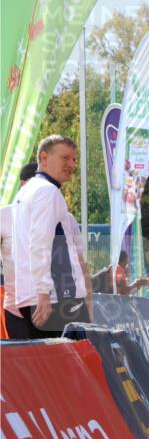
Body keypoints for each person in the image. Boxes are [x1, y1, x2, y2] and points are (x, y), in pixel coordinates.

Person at [10, 136, 92, 338]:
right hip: (57, 298)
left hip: (34, 297)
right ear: (44, 157)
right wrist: (44, 292)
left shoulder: (24, 193)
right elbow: (40, 243)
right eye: (65, 158)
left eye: (74, 159)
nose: (72, 164)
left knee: (43, 358)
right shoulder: (47, 191)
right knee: (75, 357)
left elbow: (25, 246)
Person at [1, 163, 38, 339]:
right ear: (23, 184)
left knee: (48, 357)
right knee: (24, 355)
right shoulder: (4, 216)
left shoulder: (58, 218)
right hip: (16, 310)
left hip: (50, 309)